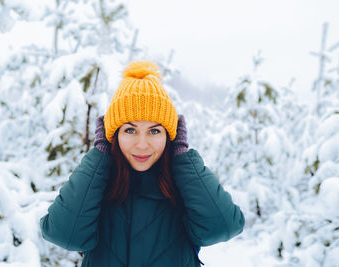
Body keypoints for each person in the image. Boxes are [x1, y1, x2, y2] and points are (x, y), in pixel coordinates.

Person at [40, 61, 245, 267]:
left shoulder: (184, 187)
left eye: (154, 131)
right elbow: (64, 234)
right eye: (130, 130)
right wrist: (100, 155)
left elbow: (223, 227)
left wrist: (183, 158)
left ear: (170, 136)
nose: (142, 144)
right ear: (114, 135)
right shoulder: (98, 186)